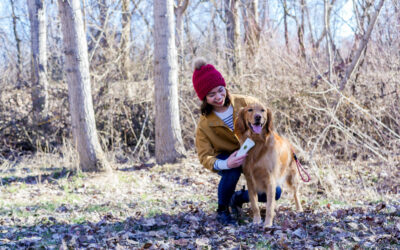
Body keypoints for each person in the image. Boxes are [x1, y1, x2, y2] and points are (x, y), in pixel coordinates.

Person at [192, 58, 282, 225]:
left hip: (254, 154)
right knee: (231, 172)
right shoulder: (204, 125)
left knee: (274, 192)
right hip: (228, 157)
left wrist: (278, 146)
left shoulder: (245, 102)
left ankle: (238, 198)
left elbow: (265, 121)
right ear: (204, 98)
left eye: (220, 90)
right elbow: (205, 157)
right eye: (211, 95)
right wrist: (227, 163)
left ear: (225, 87)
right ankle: (222, 210)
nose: (218, 97)